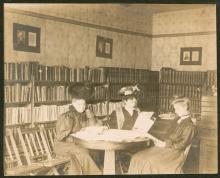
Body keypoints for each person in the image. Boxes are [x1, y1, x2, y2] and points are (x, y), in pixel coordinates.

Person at [128, 96, 196, 174]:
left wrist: (165, 144)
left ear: (185, 107)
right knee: (136, 157)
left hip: (175, 152)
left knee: (147, 161)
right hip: (165, 147)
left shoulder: (190, 126)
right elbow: (168, 135)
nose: (175, 111)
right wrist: (156, 139)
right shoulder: (176, 119)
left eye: (177, 109)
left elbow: (182, 145)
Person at [54, 84, 102, 175]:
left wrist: (90, 115)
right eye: (80, 104)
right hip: (62, 145)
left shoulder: (83, 114)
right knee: (82, 151)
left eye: (84, 104)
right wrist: (78, 137)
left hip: (77, 144)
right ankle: (96, 173)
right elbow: (60, 137)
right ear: (73, 104)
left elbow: (94, 126)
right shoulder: (67, 116)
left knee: (94, 150)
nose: (83, 107)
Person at [107, 85, 142, 173]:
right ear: (124, 101)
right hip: (123, 143)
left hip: (137, 140)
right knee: (129, 158)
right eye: (131, 99)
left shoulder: (138, 111)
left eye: (135, 99)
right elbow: (112, 131)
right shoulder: (116, 112)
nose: (134, 101)